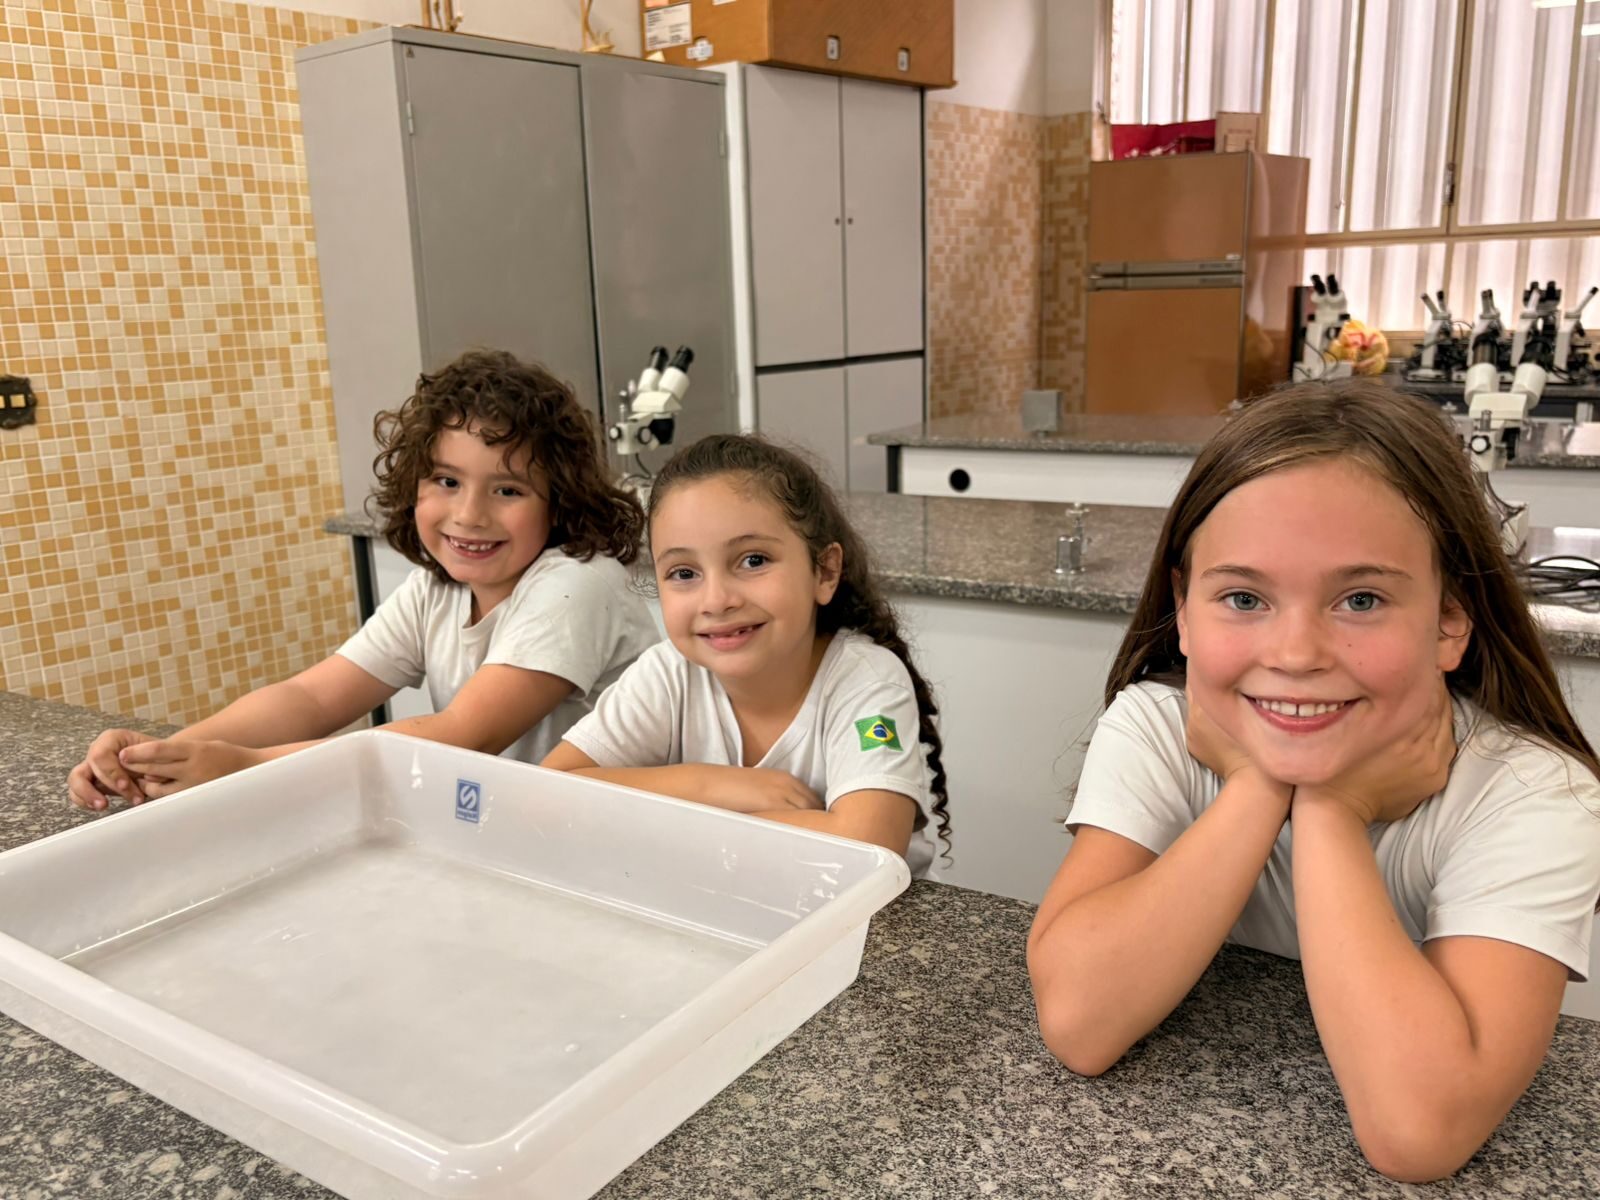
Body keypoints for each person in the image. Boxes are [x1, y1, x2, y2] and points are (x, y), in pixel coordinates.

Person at [1027, 378, 1600, 1181]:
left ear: (1449, 619)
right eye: (1243, 597)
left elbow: (1419, 1130)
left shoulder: (1537, 793)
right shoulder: (1157, 726)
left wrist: (1333, 805)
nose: (1296, 654)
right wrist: (1260, 787)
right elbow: (1080, 1020)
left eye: (1361, 599)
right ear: (1184, 611)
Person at [69, 349, 659, 808]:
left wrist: (245, 765)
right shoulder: (438, 588)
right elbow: (312, 697)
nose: (469, 514)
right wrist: (165, 754)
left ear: (560, 502)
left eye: (507, 490)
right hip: (508, 825)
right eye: (447, 481)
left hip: (607, 841)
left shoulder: (577, 585)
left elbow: (462, 737)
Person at [543, 434, 950, 874]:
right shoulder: (667, 673)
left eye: (753, 560)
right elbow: (547, 793)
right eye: (684, 572)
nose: (717, 600)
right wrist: (712, 785)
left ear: (825, 571)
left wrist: (667, 820)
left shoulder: (866, 681)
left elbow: (867, 846)